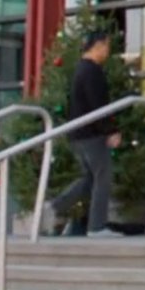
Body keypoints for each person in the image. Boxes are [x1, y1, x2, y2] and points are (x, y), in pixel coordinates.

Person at [46, 30, 125, 239]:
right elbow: (97, 105)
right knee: (102, 176)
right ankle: (96, 227)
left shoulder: (81, 69)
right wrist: (111, 130)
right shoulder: (92, 71)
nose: (108, 51)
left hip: (79, 134)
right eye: (107, 46)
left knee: (89, 178)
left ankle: (55, 206)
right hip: (91, 134)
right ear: (98, 45)